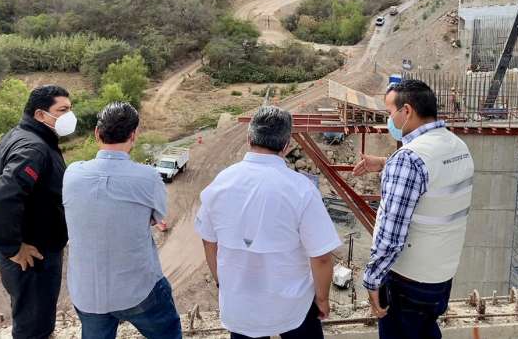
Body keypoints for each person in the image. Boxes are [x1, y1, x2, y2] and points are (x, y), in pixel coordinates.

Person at [195, 106, 341, 339]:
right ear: (286, 146)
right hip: (293, 308)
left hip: (241, 309)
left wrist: (222, 283)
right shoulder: (301, 189)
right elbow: (322, 256)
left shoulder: (221, 183)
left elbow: (208, 242)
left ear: (248, 138)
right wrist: (322, 299)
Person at [353, 79, 475, 339]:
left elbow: (392, 234)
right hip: (441, 274)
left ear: (406, 111)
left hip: (407, 280)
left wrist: (372, 279)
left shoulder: (408, 160)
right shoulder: (457, 146)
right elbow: (432, 180)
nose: (390, 121)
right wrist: (386, 163)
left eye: (390, 113)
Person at [62, 102, 181, 339]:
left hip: (88, 292)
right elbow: (157, 218)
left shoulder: (72, 173)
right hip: (139, 290)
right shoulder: (148, 177)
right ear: (134, 135)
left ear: (97, 133)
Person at [0, 85, 75, 339]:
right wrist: (13, 247)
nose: (69, 115)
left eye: (70, 109)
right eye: (63, 110)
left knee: (31, 316)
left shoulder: (20, 134)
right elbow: (3, 199)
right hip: (33, 256)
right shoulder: (33, 148)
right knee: (34, 326)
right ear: (41, 115)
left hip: (34, 249)